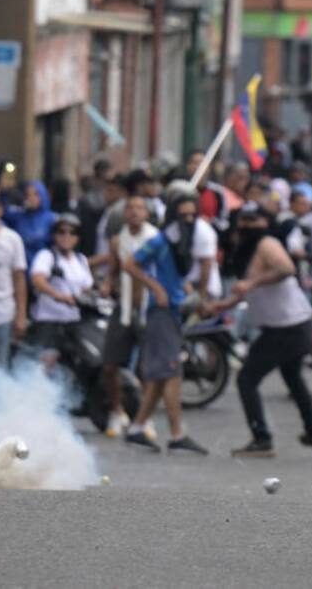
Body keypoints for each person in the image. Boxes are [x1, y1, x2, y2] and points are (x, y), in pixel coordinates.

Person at [211, 204, 312, 458]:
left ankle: (262, 439)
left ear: (265, 222)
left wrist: (251, 282)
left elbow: (286, 269)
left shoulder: (267, 243)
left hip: (289, 327)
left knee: (246, 379)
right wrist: (223, 306)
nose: (248, 225)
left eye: (254, 219)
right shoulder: (250, 250)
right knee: (293, 378)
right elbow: (250, 288)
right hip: (289, 324)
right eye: (244, 220)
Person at [121, 186, 209, 456]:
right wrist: (155, 288)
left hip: (173, 310)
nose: (189, 220)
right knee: (172, 373)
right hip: (160, 312)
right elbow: (130, 263)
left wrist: (189, 291)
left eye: (193, 215)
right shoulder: (160, 240)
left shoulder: (179, 241)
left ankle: (137, 429)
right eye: (184, 215)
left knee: (161, 376)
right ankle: (177, 434)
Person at [101, 195, 159, 438]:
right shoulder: (117, 241)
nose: (134, 212)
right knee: (110, 365)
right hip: (123, 308)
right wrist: (106, 283)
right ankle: (117, 411)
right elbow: (113, 270)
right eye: (130, 208)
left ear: (146, 213)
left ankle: (146, 418)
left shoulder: (156, 239)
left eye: (139, 207)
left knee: (148, 369)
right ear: (124, 214)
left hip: (148, 309)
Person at [27, 214, 94, 366]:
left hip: (73, 322)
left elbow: (87, 287)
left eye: (72, 232)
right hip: (49, 321)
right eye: (62, 232)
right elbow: (37, 280)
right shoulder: (47, 256)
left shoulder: (81, 260)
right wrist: (60, 296)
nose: (66, 236)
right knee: (44, 365)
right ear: (54, 235)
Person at [0, 192, 27, 368]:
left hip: (3, 312)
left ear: (0, 210)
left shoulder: (12, 239)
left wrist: (21, 315)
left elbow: (19, 279)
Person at [7, 180, 56, 266]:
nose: (31, 198)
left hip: (42, 268)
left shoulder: (51, 218)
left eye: (35, 194)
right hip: (21, 267)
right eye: (28, 195)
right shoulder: (18, 217)